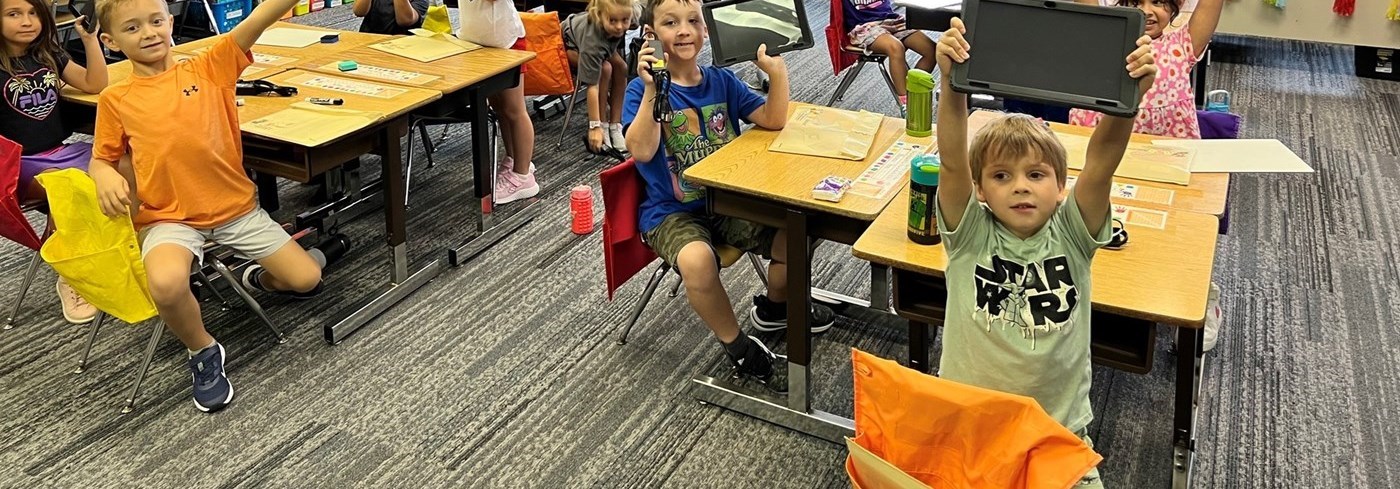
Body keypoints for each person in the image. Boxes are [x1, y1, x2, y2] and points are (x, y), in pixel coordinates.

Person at [935, 17, 1156, 487]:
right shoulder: (969, 233)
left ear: (1060, 188)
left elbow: (1101, 163)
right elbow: (953, 158)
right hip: (974, 427)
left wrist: (1128, 97)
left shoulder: (1073, 233)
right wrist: (951, 82)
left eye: (1035, 175)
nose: (1020, 187)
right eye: (1001, 176)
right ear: (980, 190)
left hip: (1058, 431)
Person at [91, 0, 324, 413]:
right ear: (110, 41)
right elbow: (102, 157)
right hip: (169, 216)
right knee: (165, 283)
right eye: (132, 28)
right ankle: (202, 349)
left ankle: (255, 279)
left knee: (306, 279)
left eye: (156, 21)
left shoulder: (208, 66)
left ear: (170, 21)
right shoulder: (116, 98)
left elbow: (258, 18)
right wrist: (105, 174)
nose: (148, 33)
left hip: (236, 210)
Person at [622, 0, 836, 392]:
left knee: (799, 228)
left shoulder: (722, 81)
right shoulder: (641, 91)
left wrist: (777, 72)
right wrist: (655, 88)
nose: (684, 30)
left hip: (728, 203)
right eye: (671, 23)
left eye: (693, 22)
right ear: (651, 35)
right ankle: (738, 347)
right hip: (671, 212)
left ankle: (773, 307)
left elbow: (773, 119)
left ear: (707, 32)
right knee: (699, 260)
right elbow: (640, 150)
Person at [1070, 0, 1225, 352]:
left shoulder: (1181, 44)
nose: (1146, 11)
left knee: (1179, 243)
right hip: (1103, 161)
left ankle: (1202, 294)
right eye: (1132, 2)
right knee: (1095, 235)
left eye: (1157, 2)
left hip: (1167, 167)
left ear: (1173, 9)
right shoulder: (1100, 41)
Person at [1, 0, 109, 324]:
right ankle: (70, 274)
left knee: (119, 165)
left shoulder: (48, 55)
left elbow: (95, 83)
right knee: (72, 184)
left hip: (59, 152)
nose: (27, 21)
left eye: (33, 12)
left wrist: (90, 40)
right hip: (18, 166)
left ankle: (115, 254)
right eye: (14, 14)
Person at [461, 0, 538, 204]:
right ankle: (514, 158)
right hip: (477, 39)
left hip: (506, 41)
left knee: (514, 110)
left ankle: (523, 176)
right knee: (500, 108)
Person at [563, 0, 633, 153]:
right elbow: (592, 86)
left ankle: (616, 124)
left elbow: (647, 27)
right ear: (600, 16)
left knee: (622, 67)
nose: (620, 27)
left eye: (625, 20)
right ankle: (602, 125)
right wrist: (594, 126)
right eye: (613, 20)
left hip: (603, 42)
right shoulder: (592, 42)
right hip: (568, 45)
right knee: (604, 69)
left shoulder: (621, 18)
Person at [841, 0, 936, 106]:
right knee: (896, 48)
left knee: (932, 50)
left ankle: (913, 88)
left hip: (892, 20)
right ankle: (906, 104)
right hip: (864, 26)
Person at [352, 0, 428, 35]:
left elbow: (405, 20)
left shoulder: (422, 1)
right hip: (369, 42)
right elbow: (359, 12)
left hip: (402, 47)